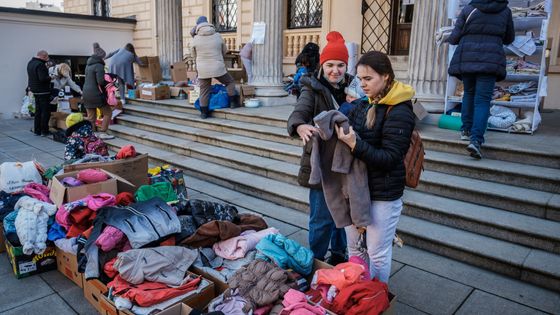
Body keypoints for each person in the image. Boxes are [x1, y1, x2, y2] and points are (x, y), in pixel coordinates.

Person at [335, 51, 415, 283]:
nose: (362, 84)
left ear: (386, 77)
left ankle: (376, 300)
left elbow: (390, 158)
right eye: (360, 79)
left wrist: (355, 145)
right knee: (355, 249)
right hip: (357, 189)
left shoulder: (400, 111)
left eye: (368, 79)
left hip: (383, 192)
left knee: (377, 252)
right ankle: (356, 294)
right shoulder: (364, 104)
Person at [287, 31, 353, 265]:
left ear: (346, 66)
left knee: (344, 214)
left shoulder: (354, 87)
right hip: (321, 165)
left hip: (346, 163)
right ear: (322, 65)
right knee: (321, 217)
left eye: (340, 65)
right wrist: (300, 126)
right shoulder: (311, 87)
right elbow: (298, 113)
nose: (335, 70)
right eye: (330, 65)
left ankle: (339, 254)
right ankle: (315, 260)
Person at [447, 0, 514, 159]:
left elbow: (454, 38)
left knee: (469, 94)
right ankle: (476, 140)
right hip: (490, 62)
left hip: (468, 59)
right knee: (483, 100)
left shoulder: (469, 9)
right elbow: (509, 37)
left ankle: (465, 130)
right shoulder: (505, 11)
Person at [191, 16, 240, 119]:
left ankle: (204, 113)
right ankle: (233, 103)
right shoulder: (217, 35)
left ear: (198, 26)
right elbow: (224, 51)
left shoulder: (195, 39)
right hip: (217, 66)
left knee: (204, 90)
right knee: (229, 82)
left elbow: (193, 55)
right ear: (208, 23)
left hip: (203, 69)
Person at [82, 42, 114, 140]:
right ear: (101, 57)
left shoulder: (88, 65)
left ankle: (92, 135)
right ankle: (103, 132)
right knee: (108, 112)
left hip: (86, 93)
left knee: (91, 117)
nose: (104, 59)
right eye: (103, 57)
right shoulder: (99, 66)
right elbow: (100, 81)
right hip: (96, 93)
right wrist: (110, 82)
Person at [27, 50, 52, 136]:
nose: (47, 59)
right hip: (43, 91)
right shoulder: (41, 65)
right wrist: (51, 77)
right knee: (45, 112)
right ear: (43, 56)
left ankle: (37, 130)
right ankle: (44, 131)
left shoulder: (30, 63)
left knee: (38, 111)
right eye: (46, 57)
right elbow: (42, 78)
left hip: (34, 90)